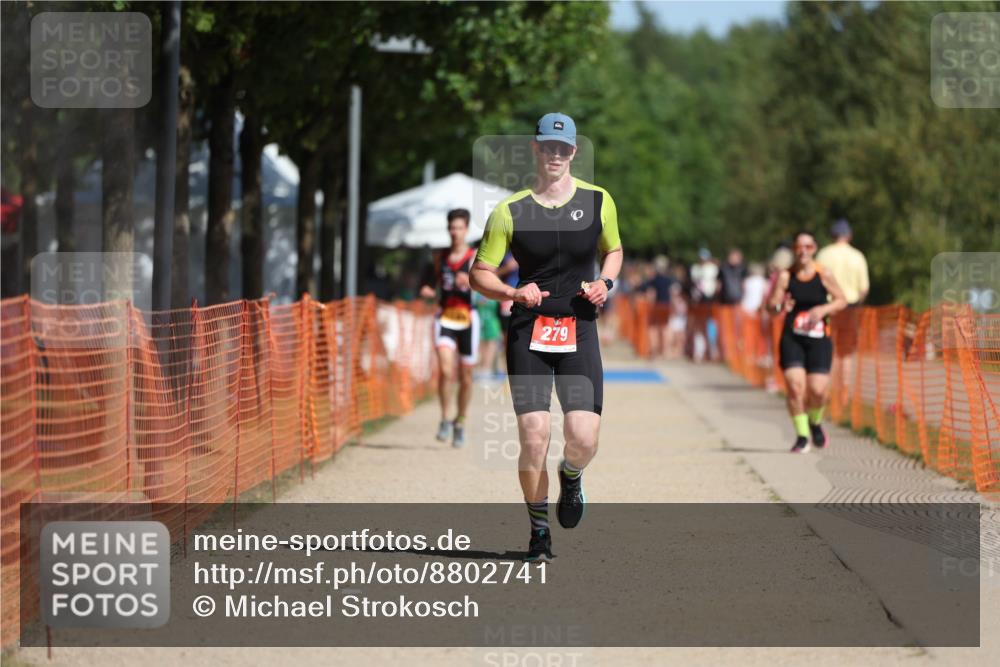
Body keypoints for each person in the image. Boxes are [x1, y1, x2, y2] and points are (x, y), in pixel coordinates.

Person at [470, 112, 623, 562]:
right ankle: (539, 531)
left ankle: (571, 475)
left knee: (584, 438)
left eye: (563, 148)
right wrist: (513, 291)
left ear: (573, 151)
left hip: (579, 328)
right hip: (528, 331)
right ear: (536, 149)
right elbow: (479, 273)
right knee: (534, 436)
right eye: (547, 146)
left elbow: (613, 250)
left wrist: (606, 283)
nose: (555, 154)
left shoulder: (598, 201)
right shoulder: (510, 210)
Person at [768, 231, 848, 453]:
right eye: (799, 247)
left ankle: (815, 422)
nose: (803, 251)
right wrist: (780, 307)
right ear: (793, 250)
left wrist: (823, 309)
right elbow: (770, 308)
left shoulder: (824, 274)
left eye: (808, 247)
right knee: (795, 387)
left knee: (818, 391)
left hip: (819, 340)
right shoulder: (786, 276)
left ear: (814, 249)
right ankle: (802, 436)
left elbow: (842, 300)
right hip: (792, 338)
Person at [418, 209, 479, 448]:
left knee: (466, 377)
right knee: (445, 370)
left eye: (460, 228)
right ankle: (444, 418)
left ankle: (460, 421)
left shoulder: (475, 257)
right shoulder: (439, 256)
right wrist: (427, 290)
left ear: (467, 230)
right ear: (448, 229)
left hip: (468, 319)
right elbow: (429, 283)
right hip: (444, 317)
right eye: (452, 227)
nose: (455, 232)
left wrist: (471, 283)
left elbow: (487, 288)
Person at [816, 219, 869, 306]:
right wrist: (857, 305)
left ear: (832, 235)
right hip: (851, 304)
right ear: (849, 235)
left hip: (829, 304)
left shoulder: (823, 254)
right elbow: (864, 289)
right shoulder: (858, 256)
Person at [642, 255, 674, 357]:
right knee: (665, 327)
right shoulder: (669, 280)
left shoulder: (654, 280)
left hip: (657, 305)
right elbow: (672, 293)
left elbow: (651, 293)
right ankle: (666, 350)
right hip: (666, 305)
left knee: (653, 327)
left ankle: (654, 349)